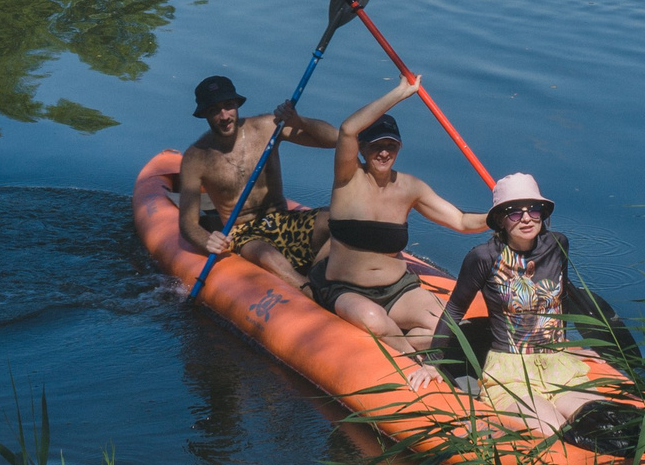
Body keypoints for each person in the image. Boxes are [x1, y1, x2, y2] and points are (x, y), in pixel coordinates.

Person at [313, 75, 490, 355]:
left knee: (444, 324)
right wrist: (401, 92)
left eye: (390, 146)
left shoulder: (411, 188)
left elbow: (460, 221)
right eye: (375, 146)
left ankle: (416, 348)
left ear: (399, 148)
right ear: (362, 148)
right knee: (374, 321)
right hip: (345, 289)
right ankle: (413, 358)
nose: (383, 152)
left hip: (398, 289)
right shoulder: (348, 178)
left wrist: (500, 217)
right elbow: (347, 129)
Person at [424, 172, 607, 434]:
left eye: (535, 210)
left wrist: (568, 345)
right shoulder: (483, 257)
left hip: (558, 366)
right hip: (510, 372)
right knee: (550, 430)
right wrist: (432, 362)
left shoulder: (558, 245)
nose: (526, 218)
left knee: (603, 422)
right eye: (513, 212)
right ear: (499, 219)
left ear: (543, 213)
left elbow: (560, 299)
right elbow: (455, 308)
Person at [176, 73, 336, 289]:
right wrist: (207, 241)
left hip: (284, 220)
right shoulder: (196, 158)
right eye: (214, 110)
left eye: (228, 106)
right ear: (204, 114)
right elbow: (188, 223)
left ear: (236, 105)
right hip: (244, 233)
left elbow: (334, 139)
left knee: (337, 220)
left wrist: (300, 121)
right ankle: (311, 295)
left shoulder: (267, 127)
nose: (224, 116)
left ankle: (323, 278)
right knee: (268, 256)